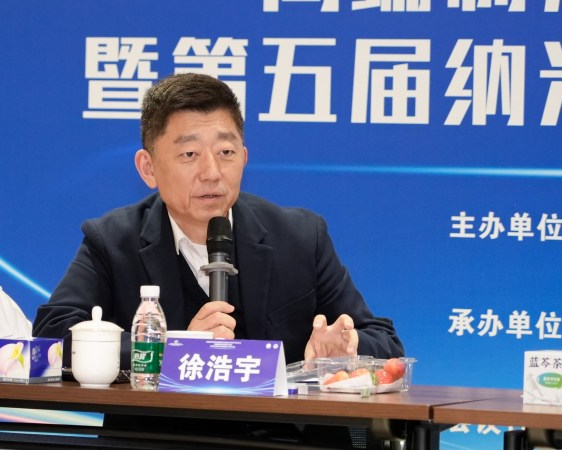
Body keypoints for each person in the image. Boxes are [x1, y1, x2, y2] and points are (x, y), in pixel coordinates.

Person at [33, 72, 404, 447]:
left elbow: (385, 342)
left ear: (244, 157)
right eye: (189, 154)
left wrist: (346, 349)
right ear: (148, 168)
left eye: (226, 152)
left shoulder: (301, 236)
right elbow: (52, 337)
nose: (211, 173)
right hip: (160, 441)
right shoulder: (113, 241)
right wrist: (172, 350)